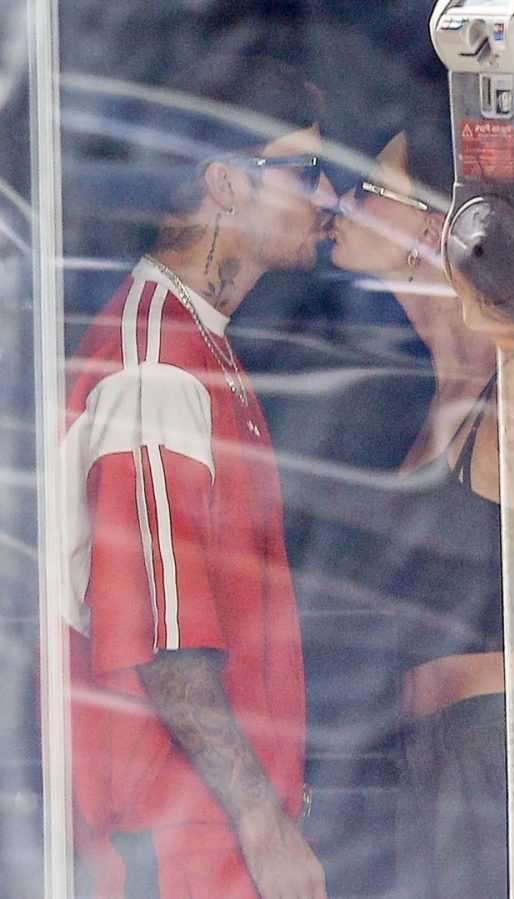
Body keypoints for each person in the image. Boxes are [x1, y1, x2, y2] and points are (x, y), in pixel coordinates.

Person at [65, 57, 335, 899]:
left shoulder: (195, 341)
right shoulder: (158, 362)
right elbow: (163, 642)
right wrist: (263, 822)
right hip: (177, 846)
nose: (329, 198)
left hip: (205, 840)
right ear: (225, 182)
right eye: (308, 173)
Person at [331, 130, 514, 898]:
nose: (341, 203)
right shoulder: (441, 388)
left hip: (499, 762)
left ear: (433, 223)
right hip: (431, 765)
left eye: (367, 189)